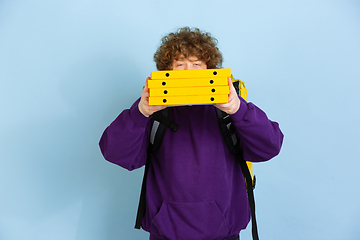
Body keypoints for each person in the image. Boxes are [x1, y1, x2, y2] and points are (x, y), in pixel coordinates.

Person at [99, 27, 284, 240]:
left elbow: (269, 146)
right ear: (166, 70)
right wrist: (140, 113)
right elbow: (115, 153)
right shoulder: (152, 108)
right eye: (180, 64)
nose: (189, 71)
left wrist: (237, 109)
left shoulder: (229, 106)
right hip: (166, 232)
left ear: (209, 69)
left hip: (223, 232)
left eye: (197, 64)